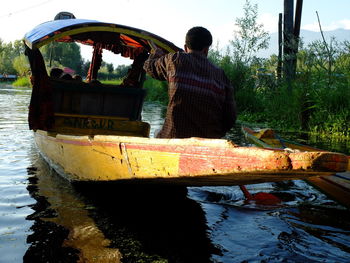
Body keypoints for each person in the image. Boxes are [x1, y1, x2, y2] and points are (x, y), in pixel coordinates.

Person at [143, 26, 236, 138]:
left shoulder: (174, 60)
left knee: (157, 132)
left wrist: (155, 55)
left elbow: (149, 67)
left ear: (185, 47)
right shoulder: (221, 76)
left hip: (175, 139)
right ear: (206, 50)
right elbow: (230, 118)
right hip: (209, 142)